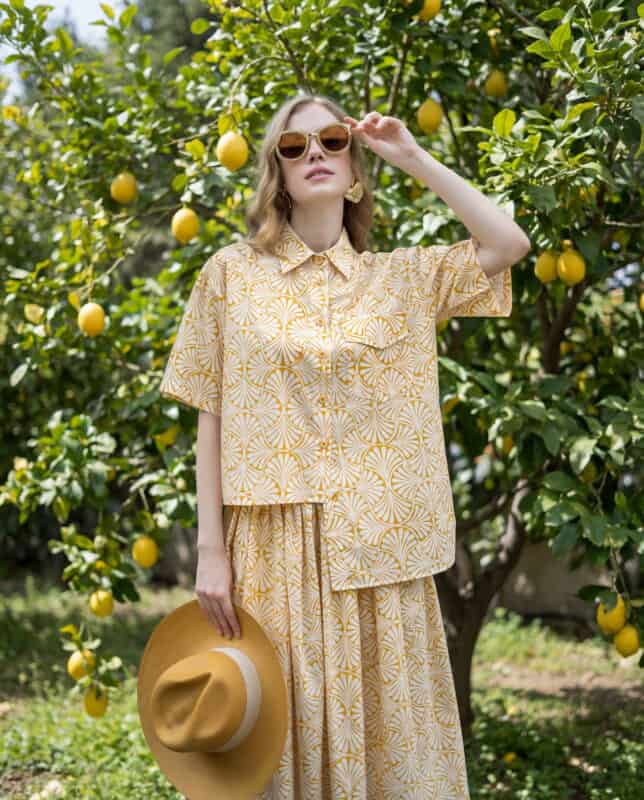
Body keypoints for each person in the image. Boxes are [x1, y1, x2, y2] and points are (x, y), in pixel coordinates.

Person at [159, 91, 530, 799]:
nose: (315, 155)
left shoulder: (404, 279)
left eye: (332, 141)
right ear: (277, 173)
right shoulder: (230, 275)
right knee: (280, 737)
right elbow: (209, 410)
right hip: (271, 550)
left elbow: (508, 245)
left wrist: (412, 156)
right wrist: (210, 550)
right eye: (293, 147)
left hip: (381, 551)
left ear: (356, 170)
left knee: (389, 753)